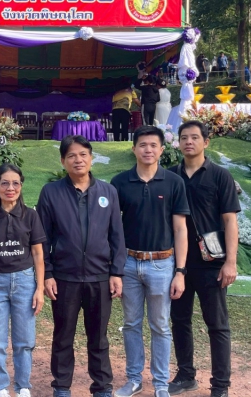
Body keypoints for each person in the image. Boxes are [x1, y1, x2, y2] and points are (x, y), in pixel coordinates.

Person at [37, 135, 126, 397]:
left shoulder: (108, 192)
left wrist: (116, 272)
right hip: (65, 277)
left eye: (83, 154)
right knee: (63, 335)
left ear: (91, 158)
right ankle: (62, 386)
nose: (78, 160)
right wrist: (48, 274)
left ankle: (102, 387)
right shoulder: (51, 192)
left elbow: (117, 235)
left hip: (100, 277)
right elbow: (42, 238)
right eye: (72, 155)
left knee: (99, 337)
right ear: (63, 161)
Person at [111, 126, 190, 397]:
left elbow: (180, 229)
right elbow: (112, 229)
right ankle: (134, 379)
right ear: (133, 148)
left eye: (153, 145)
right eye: (142, 145)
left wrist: (180, 271)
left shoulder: (174, 182)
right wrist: (115, 269)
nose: (148, 150)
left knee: (160, 326)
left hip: (162, 264)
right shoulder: (119, 182)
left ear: (162, 149)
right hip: (129, 264)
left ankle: (160, 385)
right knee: (131, 324)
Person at [168, 121, 240, 397]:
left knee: (217, 325)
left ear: (206, 142)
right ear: (178, 142)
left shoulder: (220, 176)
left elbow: (230, 221)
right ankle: (186, 376)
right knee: (180, 320)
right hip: (179, 264)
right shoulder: (171, 176)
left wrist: (230, 262)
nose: (189, 142)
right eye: (184, 137)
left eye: (195, 137)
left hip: (212, 263)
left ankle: (220, 385)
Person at [0, 163, 46, 397]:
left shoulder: (30, 216)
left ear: (21, 186)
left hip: (24, 282)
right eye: (4, 183)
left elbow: (38, 254)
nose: (10, 188)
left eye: (16, 183)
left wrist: (39, 289)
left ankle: (23, 386)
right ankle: (0, 387)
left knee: (24, 340)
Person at [112, 77, 140, 142]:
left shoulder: (117, 92)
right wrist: (142, 106)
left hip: (115, 110)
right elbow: (136, 100)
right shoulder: (131, 91)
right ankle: (124, 139)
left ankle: (116, 140)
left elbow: (113, 101)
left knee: (116, 126)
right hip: (124, 109)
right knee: (124, 125)